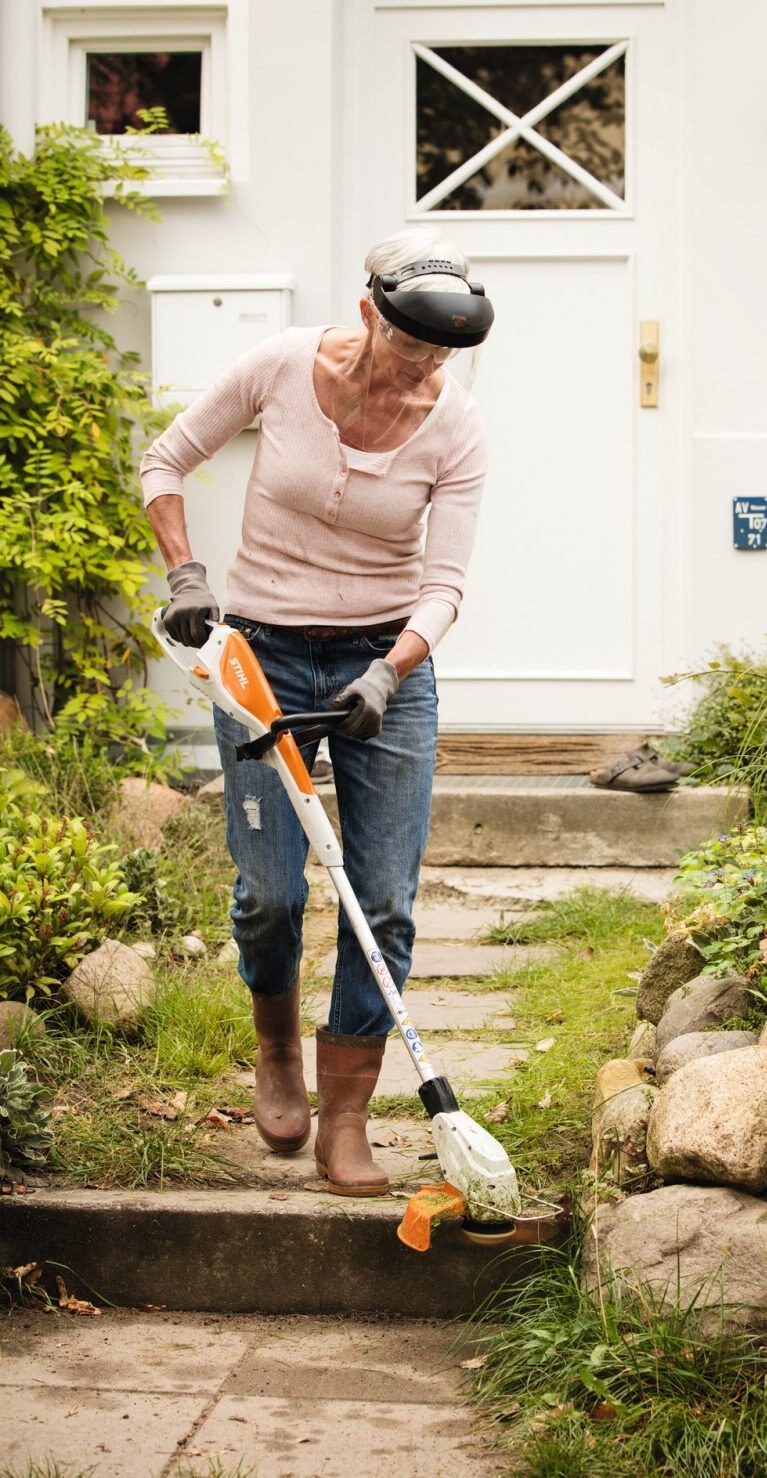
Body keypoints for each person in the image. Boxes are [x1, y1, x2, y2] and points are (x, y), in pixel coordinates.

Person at [140, 231, 492, 1196]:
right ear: (370, 313)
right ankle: (278, 1053)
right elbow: (165, 461)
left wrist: (390, 671)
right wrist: (185, 575)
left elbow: (445, 585)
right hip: (260, 658)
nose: (424, 368)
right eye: (412, 344)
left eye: (442, 353)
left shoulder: (454, 426)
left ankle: (347, 1118)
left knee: (382, 901)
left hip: (384, 667)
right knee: (271, 895)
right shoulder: (283, 366)